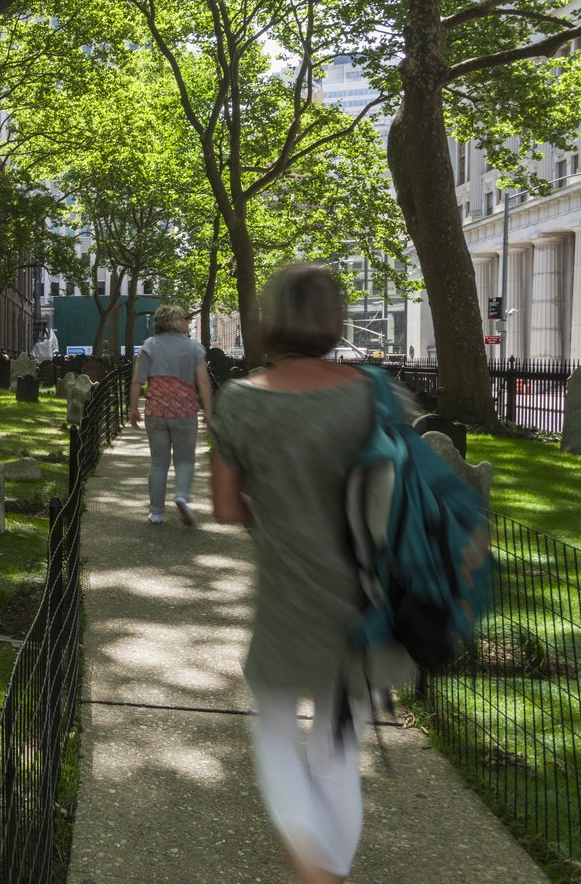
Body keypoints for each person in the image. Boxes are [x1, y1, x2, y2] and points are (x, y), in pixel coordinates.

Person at [210, 263, 411, 884]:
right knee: (336, 756)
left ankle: (313, 868)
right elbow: (408, 488)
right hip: (364, 606)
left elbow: (223, 506)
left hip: (285, 602)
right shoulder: (376, 393)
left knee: (273, 731)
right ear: (333, 318)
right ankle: (332, 871)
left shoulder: (242, 401)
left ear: (268, 318)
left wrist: (274, 508)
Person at [127, 304, 213, 526]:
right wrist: (208, 411)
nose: (188, 321)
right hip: (184, 411)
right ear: (176, 321)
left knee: (158, 462)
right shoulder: (194, 348)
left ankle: (156, 512)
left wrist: (134, 407)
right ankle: (182, 495)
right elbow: (203, 381)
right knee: (185, 459)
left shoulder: (149, 346)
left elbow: (138, 380)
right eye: (185, 318)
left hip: (156, 411)